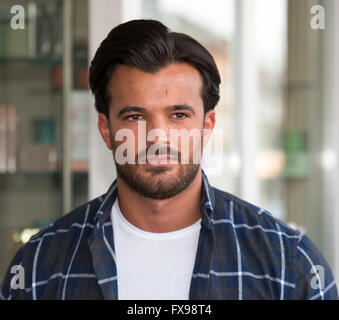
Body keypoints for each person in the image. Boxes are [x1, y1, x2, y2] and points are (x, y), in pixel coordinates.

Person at [1, 19, 337, 300]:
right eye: (134, 116)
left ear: (207, 126)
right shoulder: (39, 267)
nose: (157, 137)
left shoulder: (288, 263)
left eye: (178, 115)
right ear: (106, 129)